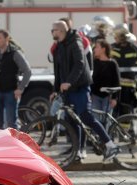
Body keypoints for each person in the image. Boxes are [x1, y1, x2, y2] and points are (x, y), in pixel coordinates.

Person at [51, 21, 120, 161]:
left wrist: (69, 81)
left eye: (53, 30)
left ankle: (111, 145)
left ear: (61, 31)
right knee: (72, 120)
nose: (52, 33)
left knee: (86, 117)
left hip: (80, 87)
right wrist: (56, 89)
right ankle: (79, 151)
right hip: (69, 89)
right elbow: (58, 70)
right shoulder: (59, 46)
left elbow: (79, 64)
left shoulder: (75, 42)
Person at [0, 29, 31, 129]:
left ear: (7, 39)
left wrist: (20, 88)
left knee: (11, 124)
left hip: (10, 92)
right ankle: (0, 144)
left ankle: (14, 144)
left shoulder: (15, 53)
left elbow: (27, 71)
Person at [111, 24, 137, 115]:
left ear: (121, 36)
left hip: (128, 88)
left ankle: (124, 130)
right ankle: (115, 129)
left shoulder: (134, 49)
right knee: (113, 113)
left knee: (125, 113)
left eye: (116, 36)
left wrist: (132, 75)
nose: (114, 38)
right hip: (114, 86)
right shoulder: (112, 48)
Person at [91, 39, 120, 127]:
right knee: (96, 121)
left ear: (103, 49)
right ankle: (98, 140)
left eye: (97, 47)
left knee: (107, 122)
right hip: (95, 96)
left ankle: (108, 139)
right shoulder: (94, 63)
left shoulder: (112, 63)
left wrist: (115, 98)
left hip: (108, 97)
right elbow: (91, 79)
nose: (94, 49)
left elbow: (117, 81)